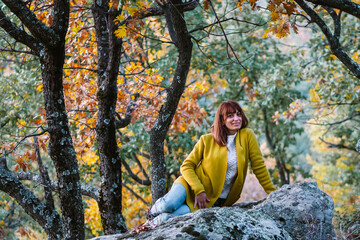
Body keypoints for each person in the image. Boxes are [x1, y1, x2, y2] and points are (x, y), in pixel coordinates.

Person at [143, 100, 276, 227]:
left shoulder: (247, 135)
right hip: (189, 186)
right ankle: (151, 213)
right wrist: (199, 190)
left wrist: (273, 194)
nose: (236, 118)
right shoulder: (206, 140)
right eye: (230, 116)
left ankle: (149, 225)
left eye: (238, 114)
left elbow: (259, 167)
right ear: (222, 120)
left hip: (209, 200)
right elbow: (186, 165)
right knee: (169, 205)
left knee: (168, 218)